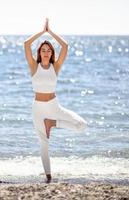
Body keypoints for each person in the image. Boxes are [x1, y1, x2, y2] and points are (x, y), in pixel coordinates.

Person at [24, 18, 88, 183]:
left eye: (49, 50)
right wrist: (41, 32)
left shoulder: (56, 66)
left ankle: (53, 123)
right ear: (39, 52)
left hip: (54, 107)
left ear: (52, 53)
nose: (46, 52)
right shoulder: (34, 66)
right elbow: (26, 44)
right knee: (43, 144)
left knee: (82, 125)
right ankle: (48, 177)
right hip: (38, 109)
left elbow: (65, 46)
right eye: (43, 50)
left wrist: (51, 32)